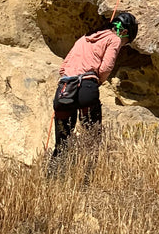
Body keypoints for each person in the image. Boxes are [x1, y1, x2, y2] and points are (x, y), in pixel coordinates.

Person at [51, 11, 138, 159]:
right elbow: (105, 67)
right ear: (124, 32)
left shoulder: (83, 39)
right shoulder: (115, 39)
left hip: (64, 89)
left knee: (62, 143)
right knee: (92, 139)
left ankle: (54, 176)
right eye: (126, 41)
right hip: (87, 88)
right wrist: (98, 81)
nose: (122, 44)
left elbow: (62, 68)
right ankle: (87, 175)